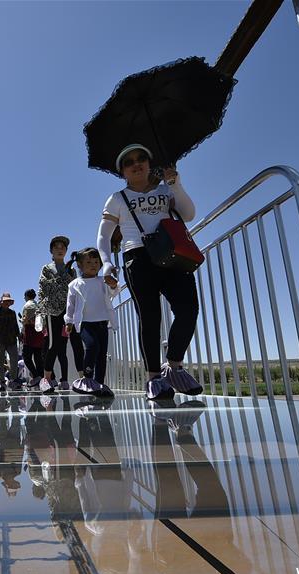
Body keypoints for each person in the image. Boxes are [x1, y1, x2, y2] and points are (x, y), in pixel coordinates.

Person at [96, 144, 203, 401]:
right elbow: (103, 235)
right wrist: (107, 263)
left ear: (149, 162)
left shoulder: (166, 189)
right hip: (138, 256)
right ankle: (154, 377)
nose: (136, 163)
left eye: (141, 158)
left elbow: (188, 214)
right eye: (129, 161)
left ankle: (174, 365)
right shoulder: (117, 199)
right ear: (123, 172)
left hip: (172, 253)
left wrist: (175, 183)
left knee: (189, 309)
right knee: (149, 316)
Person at [64, 247, 118, 397]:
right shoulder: (74, 284)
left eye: (96, 261)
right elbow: (71, 305)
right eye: (88, 262)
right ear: (80, 265)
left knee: (102, 354)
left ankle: (99, 383)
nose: (93, 264)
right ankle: (87, 379)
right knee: (92, 346)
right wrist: (68, 321)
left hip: (102, 322)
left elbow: (113, 292)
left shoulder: (102, 281)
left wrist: (113, 284)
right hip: (85, 323)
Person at [36, 236, 85, 394]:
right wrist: (64, 280)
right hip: (52, 311)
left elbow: (76, 289)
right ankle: (46, 379)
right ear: (51, 250)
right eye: (56, 247)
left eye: (63, 247)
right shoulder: (46, 268)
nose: (60, 249)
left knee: (74, 343)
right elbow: (44, 287)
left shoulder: (71, 269)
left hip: (69, 310)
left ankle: (82, 377)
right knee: (53, 344)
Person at [0, 292, 22, 391]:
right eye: (6, 301)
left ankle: (13, 381)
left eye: (9, 301)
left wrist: (19, 335)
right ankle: (1, 382)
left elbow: (16, 325)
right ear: (1, 302)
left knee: (14, 361)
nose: (7, 303)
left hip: (11, 340)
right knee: (0, 362)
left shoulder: (13, 313)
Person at [20, 289, 44, 388]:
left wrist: (22, 321)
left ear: (26, 296)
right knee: (38, 357)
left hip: (30, 332)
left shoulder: (27, 305)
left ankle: (36, 375)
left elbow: (25, 320)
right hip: (39, 332)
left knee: (26, 357)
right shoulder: (39, 306)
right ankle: (41, 377)